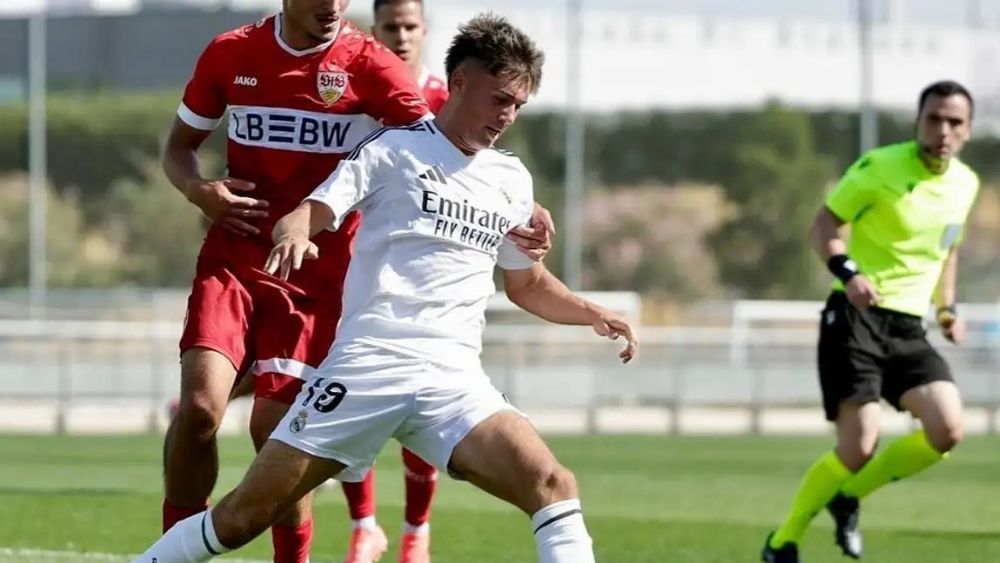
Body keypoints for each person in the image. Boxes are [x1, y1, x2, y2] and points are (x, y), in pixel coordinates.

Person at [134, 13, 636, 563]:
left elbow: (526, 283)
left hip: (454, 384)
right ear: (460, 82)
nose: (507, 116)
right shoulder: (390, 151)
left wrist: (592, 312)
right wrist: (296, 232)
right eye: (499, 99)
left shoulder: (511, 180)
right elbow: (309, 211)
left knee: (553, 486)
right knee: (241, 517)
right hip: (367, 372)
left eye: (518, 104)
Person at [761, 80, 980, 563]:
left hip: (908, 327)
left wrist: (947, 308)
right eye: (934, 118)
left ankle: (849, 495)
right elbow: (824, 225)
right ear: (919, 121)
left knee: (947, 430)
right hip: (854, 318)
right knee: (859, 444)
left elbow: (949, 249)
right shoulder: (879, 166)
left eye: (955, 122)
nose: (943, 129)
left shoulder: (965, 184)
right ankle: (783, 541)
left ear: (968, 130)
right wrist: (849, 272)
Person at [333, 2, 447, 561]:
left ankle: (416, 532)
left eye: (409, 27)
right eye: (389, 28)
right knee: (347, 394)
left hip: (421, 276)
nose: (400, 37)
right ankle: (364, 524)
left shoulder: (448, 102)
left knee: (424, 397)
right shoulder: (355, 93)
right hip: (353, 265)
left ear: (424, 32)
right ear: (373, 32)